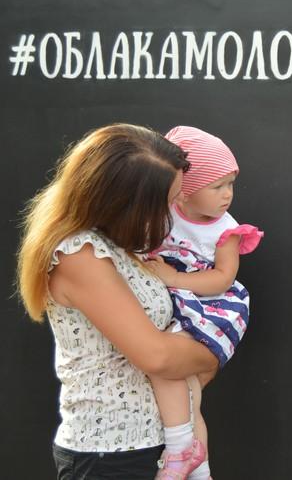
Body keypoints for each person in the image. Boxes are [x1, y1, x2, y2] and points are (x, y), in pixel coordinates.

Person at [16, 123, 218, 480]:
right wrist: (214, 348)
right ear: (127, 203)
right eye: (167, 202)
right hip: (111, 454)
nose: (173, 213)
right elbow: (157, 356)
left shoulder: (122, 245)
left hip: (156, 442)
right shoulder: (80, 255)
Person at [143, 125, 263, 480]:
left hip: (211, 306)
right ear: (183, 190)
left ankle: (179, 450)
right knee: (188, 390)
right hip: (176, 300)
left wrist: (175, 279)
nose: (227, 195)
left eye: (231, 184)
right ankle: (199, 469)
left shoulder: (225, 229)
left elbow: (222, 278)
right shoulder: (163, 215)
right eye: (217, 186)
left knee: (172, 370)